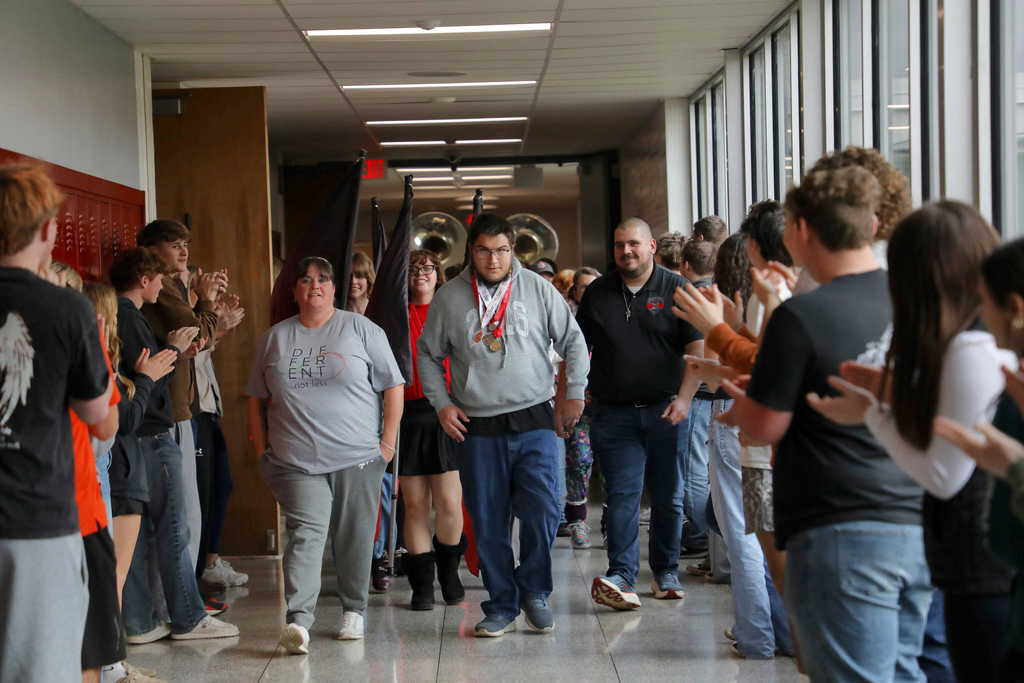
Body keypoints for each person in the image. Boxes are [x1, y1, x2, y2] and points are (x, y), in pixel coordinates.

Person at [718, 166, 929, 681]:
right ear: (872, 226)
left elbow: (765, 427)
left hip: (836, 519)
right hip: (916, 516)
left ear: (801, 230)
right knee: (902, 670)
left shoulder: (801, 316)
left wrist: (744, 404)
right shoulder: (917, 301)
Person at [805, 201, 1011, 681]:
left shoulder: (971, 348)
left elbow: (943, 475)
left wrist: (870, 414)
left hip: (983, 568)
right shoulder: (971, 341)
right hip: (974, 563)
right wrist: (884, 396)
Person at [417, 214, 589, 637]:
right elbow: (427, 355)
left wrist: (575, 392)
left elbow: (573, 341)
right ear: (470, 251)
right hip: (477, 423)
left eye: (501, 251)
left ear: (512, 250)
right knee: (489, 518)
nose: (493, 260)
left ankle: (535, 592)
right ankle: (501, 603)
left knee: (543, 509)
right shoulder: (449, 297)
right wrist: (442, 404)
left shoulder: (537, 288)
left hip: (535, 416)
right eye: (483, 250)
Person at [249, 256, 404, 653]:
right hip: (296, 460)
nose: (314, 285)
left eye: (322, 279)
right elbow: (256, 398)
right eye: (305, 280)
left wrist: (387, 444)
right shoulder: (274, 338)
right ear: (294, 290)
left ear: (334, 288)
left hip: (358, 456)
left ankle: (354, 610)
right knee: (305, 534)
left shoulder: (362, 329)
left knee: (354, 535)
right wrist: (262, 450)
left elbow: (393, 386)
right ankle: (298, 620)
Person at [0, 164, 113, 682]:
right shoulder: (66, 308)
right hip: (38, 517)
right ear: (47, 229)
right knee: (42, 668)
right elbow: (96, 415)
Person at [576, 217, 703, 610]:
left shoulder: (677, 288)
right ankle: (622, 575)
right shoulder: (598, 292)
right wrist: (572, 395)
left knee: (669, 497)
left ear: (651, 246)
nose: (626, 251)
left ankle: (666, 572)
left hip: (667, 411)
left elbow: (697, 351)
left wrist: (685, 399)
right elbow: (578, 349)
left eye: (633, 243)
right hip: (613, 414)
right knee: (622, 497)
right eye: (619, 245)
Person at [119, 246, 237, 645]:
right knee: (173, 527)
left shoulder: (126, 315)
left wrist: (173, 350)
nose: (162, 287)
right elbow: (149, 379)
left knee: (138, 533)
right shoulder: (131, 317)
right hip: (152, 432)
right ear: (144, 280)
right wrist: (173, 349)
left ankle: (140, 622)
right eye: (159, 280)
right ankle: (188, 617)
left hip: (136, 435)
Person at [399, 249, 465, 611]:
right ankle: (422, 585)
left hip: (446, 413)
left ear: (438, 273)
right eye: (412, 268)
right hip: (406, 415)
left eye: (427, 267)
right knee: (415, 505)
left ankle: (449, 573)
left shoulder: (451, 311)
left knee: (450, 503)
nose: (420, 273)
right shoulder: (395, 316)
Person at [677, 237, 719, 558]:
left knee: (693, 468)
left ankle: (700, 534)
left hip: (697, 395)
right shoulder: (720, 296)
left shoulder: (688, 300)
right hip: (720, 394)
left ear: (685, 265)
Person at [347, 251, 375, 315]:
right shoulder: (335, 310)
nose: (353, 281)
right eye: (349, 276)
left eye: (359, 276)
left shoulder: (378, 309)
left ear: (368, 279)